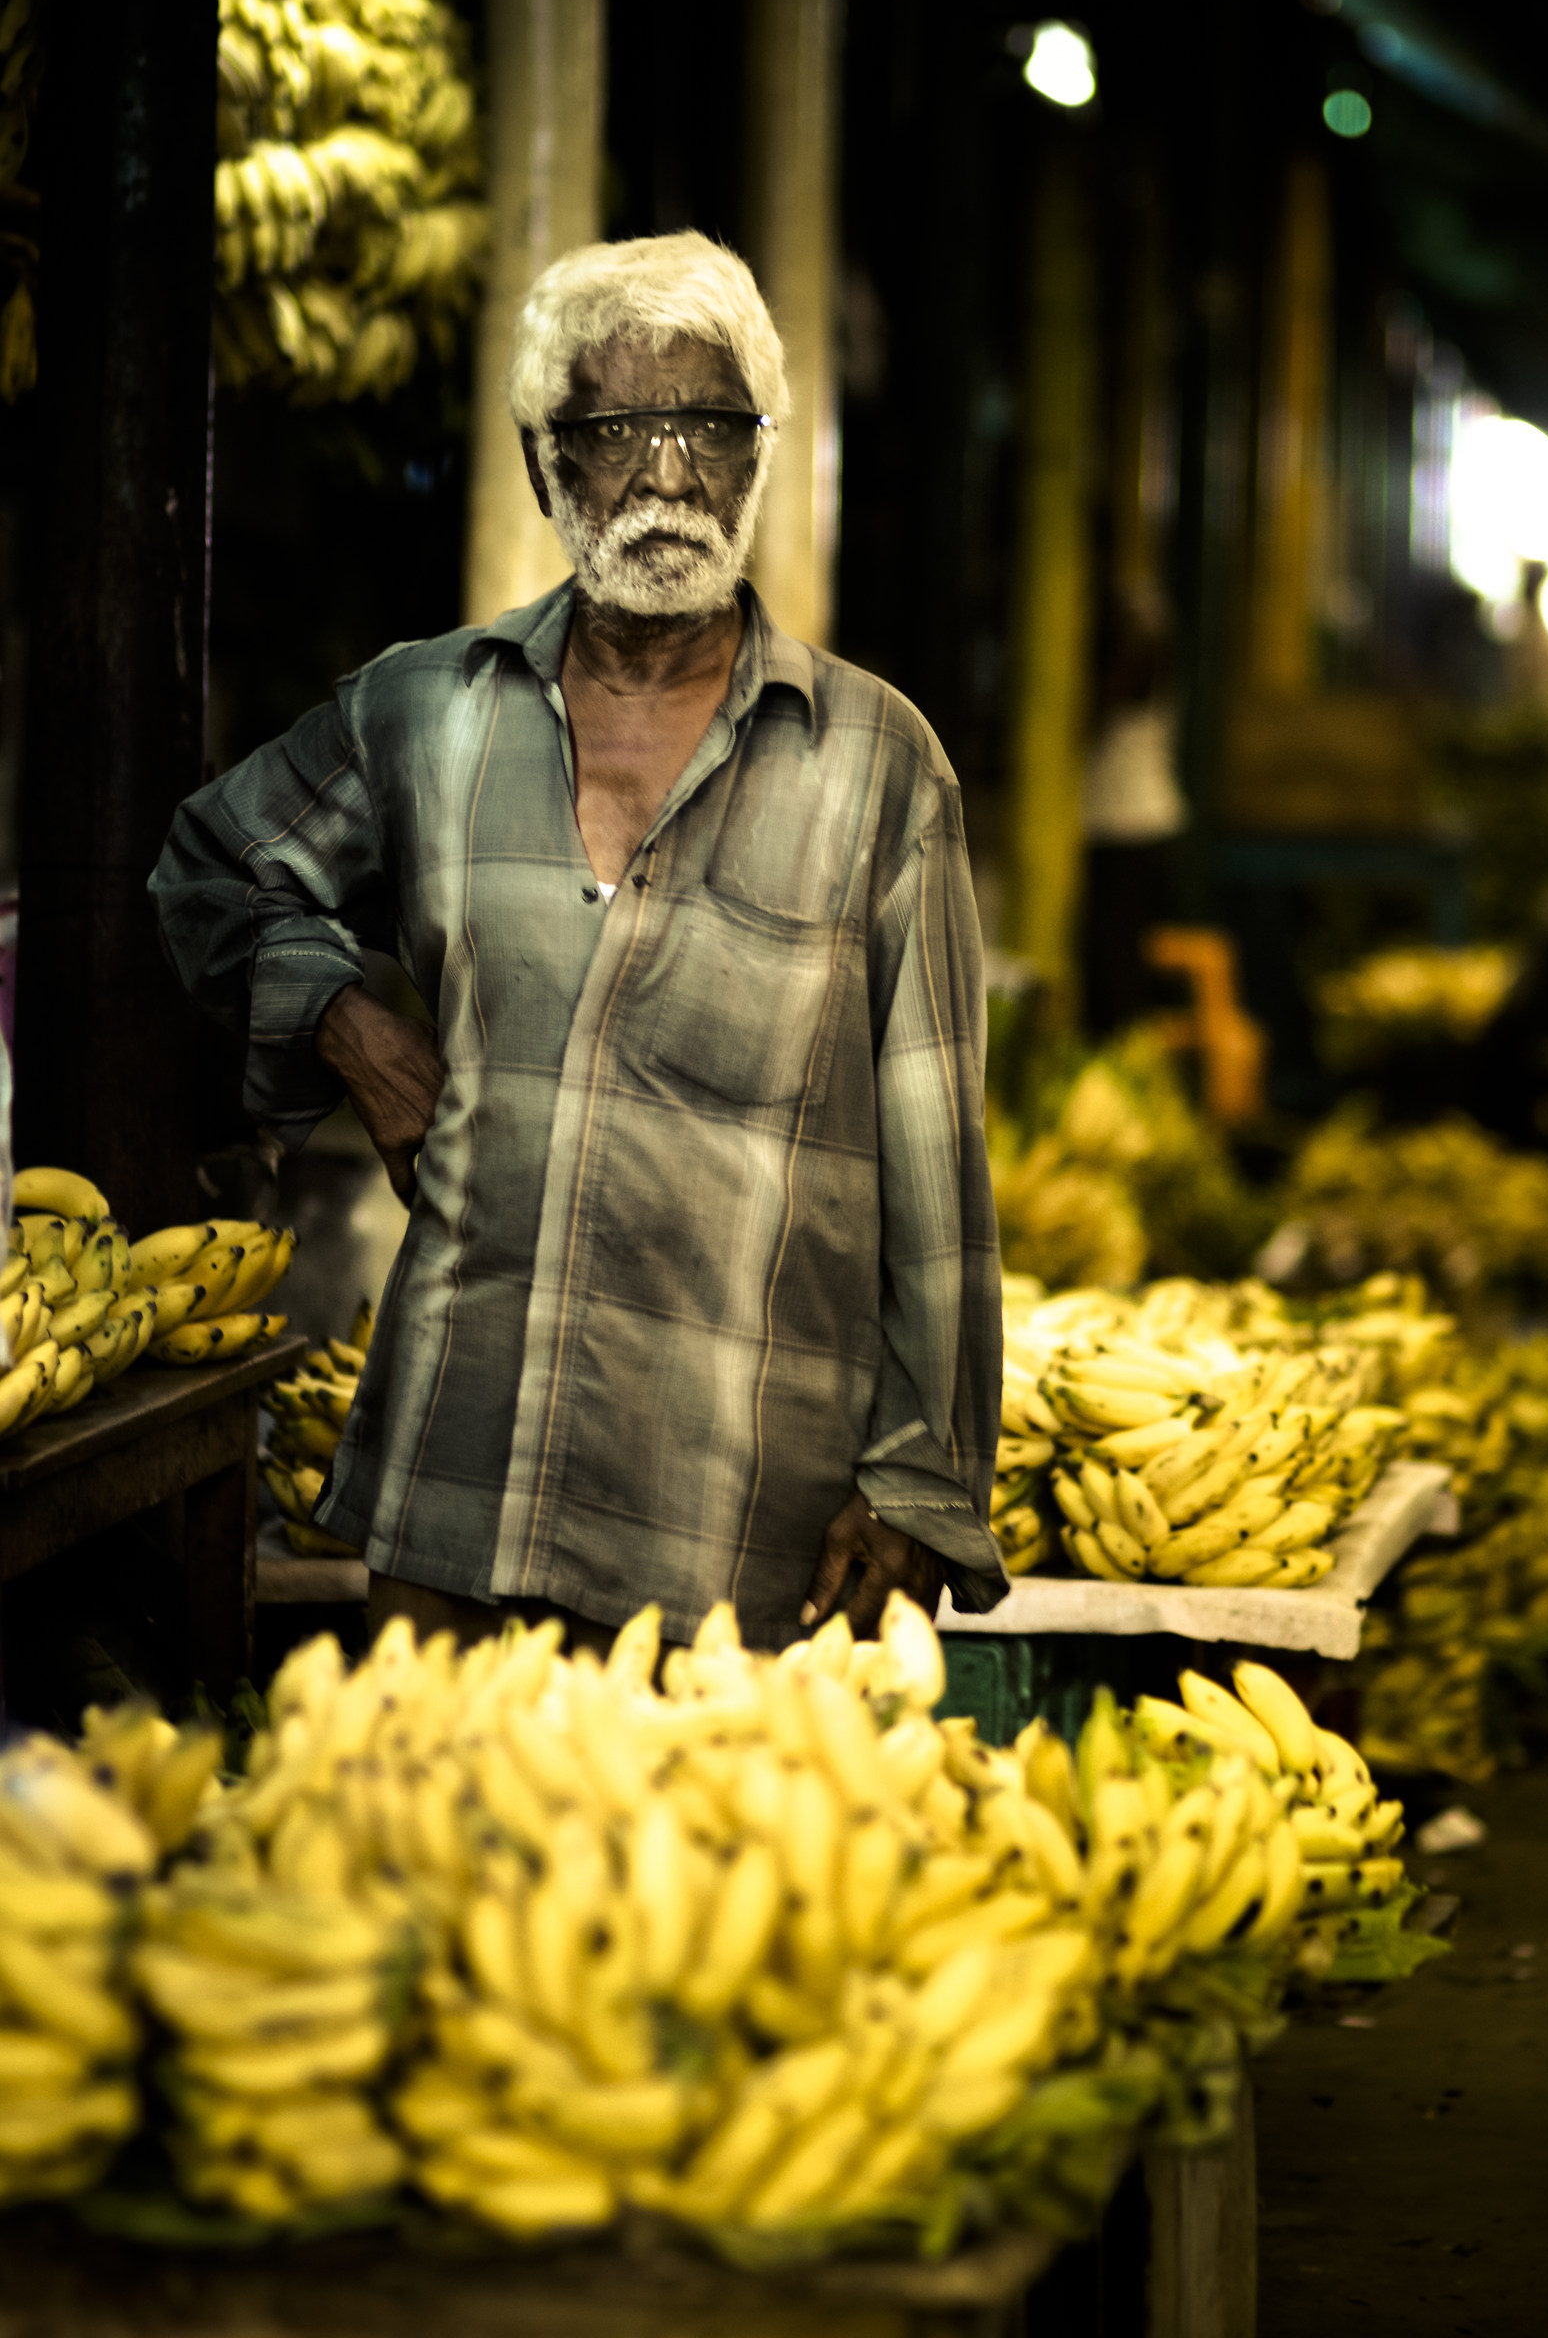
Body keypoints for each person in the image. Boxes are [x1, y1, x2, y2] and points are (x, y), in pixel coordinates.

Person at [151, 232, 1005, 1654]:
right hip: (456, 1490)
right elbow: (211, 870)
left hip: (736, 1542)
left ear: (759, 459)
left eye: (713, 428)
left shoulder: (877, 763)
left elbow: (937, 1160)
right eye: (618, 429)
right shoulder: (430, 711)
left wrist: (922, 1471)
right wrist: (359, 1037)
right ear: (551, 461)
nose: (669, 473)